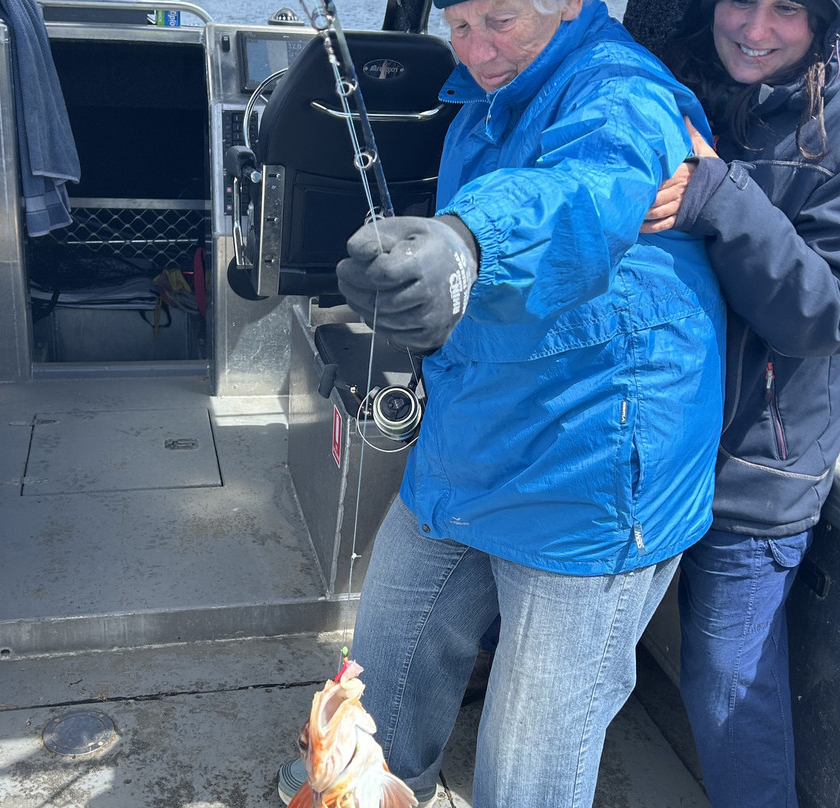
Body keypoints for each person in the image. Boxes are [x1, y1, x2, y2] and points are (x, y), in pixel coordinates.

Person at [277, 0, 726, 805]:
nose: (478, 50)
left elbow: (578, 195)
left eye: (501, 19)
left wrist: (465, 244)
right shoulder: (481, 100)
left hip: (587, 475)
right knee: (364, 700)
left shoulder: (624, 93)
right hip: (468, 445)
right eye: (459, 24)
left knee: (527, 769)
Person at [638, 0, 840, 805]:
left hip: (756, 465)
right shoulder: (667, 86)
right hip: (640, 438)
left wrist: (721, 194)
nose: (754, 28)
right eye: (739, 1)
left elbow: (837, 314)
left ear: (827, 23)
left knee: (729, 688)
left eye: (787, 8)